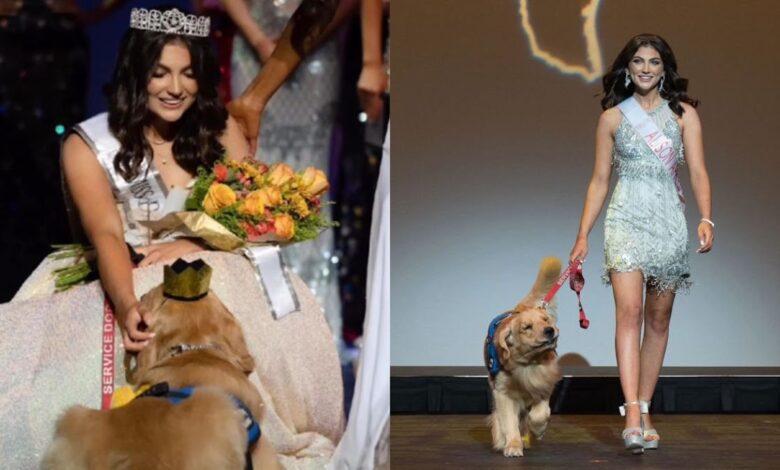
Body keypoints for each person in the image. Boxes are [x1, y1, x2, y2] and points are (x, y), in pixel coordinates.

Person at [0, 7, 343, 467]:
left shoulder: (219, 130)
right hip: (125, 266)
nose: (175, 88)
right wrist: (126, 304)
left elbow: (247, 219)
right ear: (135, 74)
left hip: (214, 268)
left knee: (222, 290)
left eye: (187, 74)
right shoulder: (88, 144)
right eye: (159, 73)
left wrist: (195, 244)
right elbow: (105, 233)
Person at [569, 33, 713, 454]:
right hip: (625, 220)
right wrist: (582, 235)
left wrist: (706, 216)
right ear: (627, 69)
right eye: (638, 61)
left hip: (668, 222)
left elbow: (699, 171)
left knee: (659, 319)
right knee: (628, 314)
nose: (646, 68)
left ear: (665, 67)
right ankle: (631, 411)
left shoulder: (685, 115)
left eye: (654, 61)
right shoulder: (613, 118)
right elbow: (599, 180)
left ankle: (646, 407)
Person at [223, 0, 358, 340]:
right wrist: (258, 39)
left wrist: (307, 39)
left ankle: (313, 317)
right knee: (254, 171)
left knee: (309, 176)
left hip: (318, 49)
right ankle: (254, 318)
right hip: (253, 43)